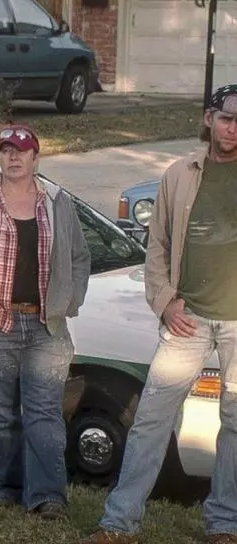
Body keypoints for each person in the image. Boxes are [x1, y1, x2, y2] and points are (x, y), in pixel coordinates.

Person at [82, 84, 237, 544]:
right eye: (228, 118)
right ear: (209, 118)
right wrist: (165, 301)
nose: (234, 129)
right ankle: (119, 524)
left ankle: (224, 524)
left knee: (235, 423)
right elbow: (158, 246)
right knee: (151, 419)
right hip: (186, 319)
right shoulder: (179, 175)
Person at [0, 124, 91, 520]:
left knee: (44, 414)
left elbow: (79, 257)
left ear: (35, 157)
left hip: (45, 326)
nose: (13, 157)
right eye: (6, 150)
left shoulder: (57, 202)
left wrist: (68, 300)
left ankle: (47, 495)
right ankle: (3, 488)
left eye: (21, 150)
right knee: (1, 416)